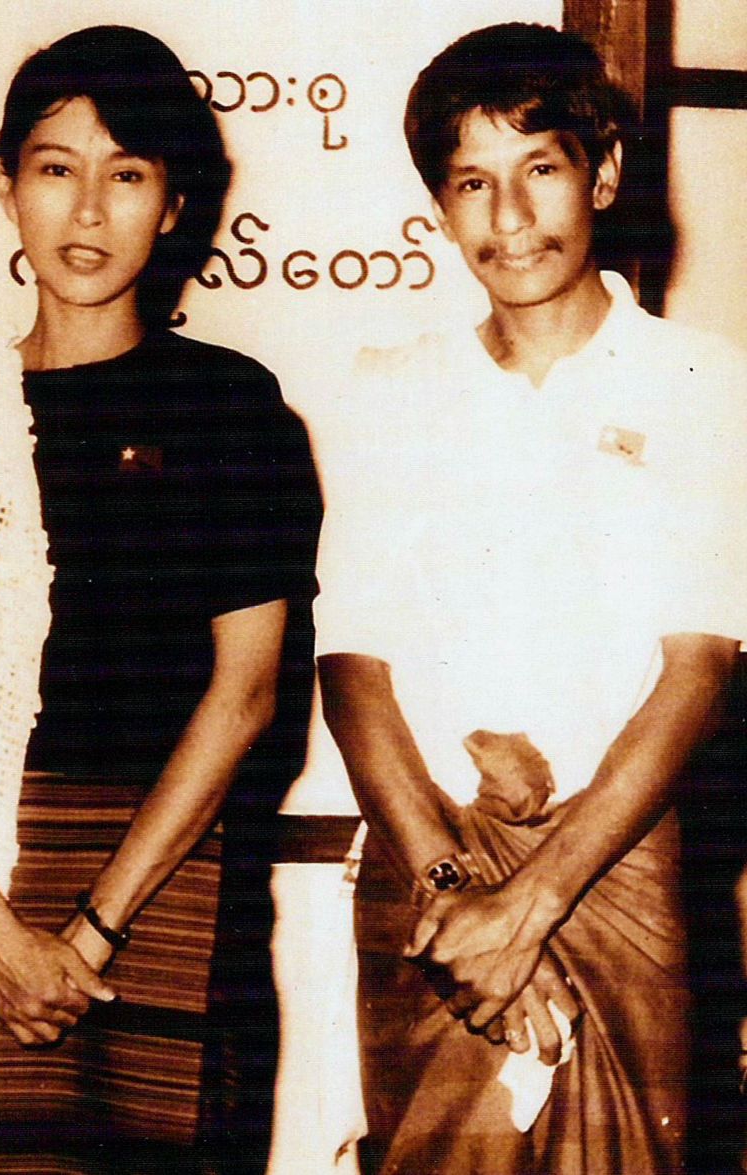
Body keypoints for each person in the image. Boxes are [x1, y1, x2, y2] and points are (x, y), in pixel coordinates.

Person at [0, 24, 320, 1175]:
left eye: (128, 175)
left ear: (174, 206)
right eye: (57, 168)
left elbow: (247, 689)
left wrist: (91, 925)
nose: (88, 210)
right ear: (5, 184)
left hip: (168, 883)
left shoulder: (228, 405)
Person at [314, 22, 747, 1175]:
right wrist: (464, 898)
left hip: (617, 869)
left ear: (603, 172)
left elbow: (699, 665)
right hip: (431, 870)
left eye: (539, 169)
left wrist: (536, 902)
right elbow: (352, 670)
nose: (508, 220)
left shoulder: (704, 383)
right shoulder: (391, 388)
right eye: (472, 184)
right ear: (439, 206)